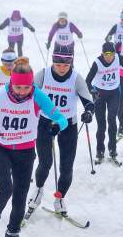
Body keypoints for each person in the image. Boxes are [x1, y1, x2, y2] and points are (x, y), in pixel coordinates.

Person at [0, 57, 68, 237]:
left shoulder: (37, 96)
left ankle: (13, 233)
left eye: (26, 87)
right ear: (11, 83)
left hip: (25, 150)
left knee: (21, 194)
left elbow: (60, 117)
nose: (23, 92)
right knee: (6, 189)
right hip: (0, 147)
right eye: (18, 87)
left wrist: (58, 125)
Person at [25, 46, 94, 218]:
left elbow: (88, 101)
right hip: (45, 123)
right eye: (58, 64)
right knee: (45, 163)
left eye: (66, 64)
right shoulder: (43, 74)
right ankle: (38, 190)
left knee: (66, 167)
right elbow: (27, 94)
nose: (62, 68)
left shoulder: (76, 78)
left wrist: (88, 112)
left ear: (71, 62)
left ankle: (60, 197)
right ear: (52, 62)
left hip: (68, 126)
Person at [86, 42, 123, 163]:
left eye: (111, 54)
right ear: (102, 54)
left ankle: (112, 150)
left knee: (112, 120)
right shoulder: (97, 63)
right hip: (99, 94)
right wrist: (93, 91)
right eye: (106, 54)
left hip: (114, 93)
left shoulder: (118, 58)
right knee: (101, 124)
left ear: (115, 53)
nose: (109, 57)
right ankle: (100, 151)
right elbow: (87, 81)